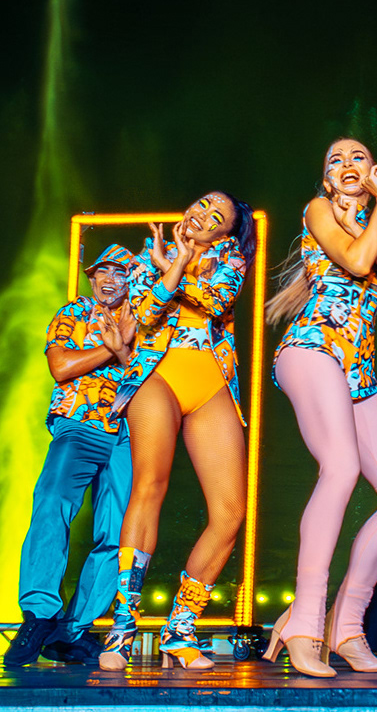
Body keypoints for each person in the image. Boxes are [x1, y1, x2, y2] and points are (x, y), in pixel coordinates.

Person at [262, 138, 377, 676]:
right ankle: (305, 620)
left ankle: (345, 625)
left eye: (358, 157)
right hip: (311, 350)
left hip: (358, 374)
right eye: (336, 159)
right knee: (341, 468)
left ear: (373, 172)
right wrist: (357, 219)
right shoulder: (318, 210)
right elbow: (356, 260)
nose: (348, 164)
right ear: (327, 180)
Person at [99, 192, 256, 671]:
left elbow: (218, 299)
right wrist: (168, 266)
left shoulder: (231, 260)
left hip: (212, 383)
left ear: (225, 233)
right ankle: (122, 629)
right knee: (150, 486)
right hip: (157, 375)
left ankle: (180, 629)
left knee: (231, 512)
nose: (202, 215)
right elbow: (145, 316)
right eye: (203, 204)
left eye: (217, 217)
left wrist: (177, 268)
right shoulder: (145, 257)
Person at [4, 246, 135, 667]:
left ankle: (72, 631)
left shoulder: (144, 319)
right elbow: (60, 367)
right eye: (102, 272)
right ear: (92, 278)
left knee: (119, 533)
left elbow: (149, 374)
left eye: (120, 272)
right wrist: (115, 349)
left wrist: (126, 348)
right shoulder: (74, 312)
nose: (109, 279)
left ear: (133, 280)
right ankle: (39, 614)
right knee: (51, 504)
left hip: (129, 435)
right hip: (79, 424)